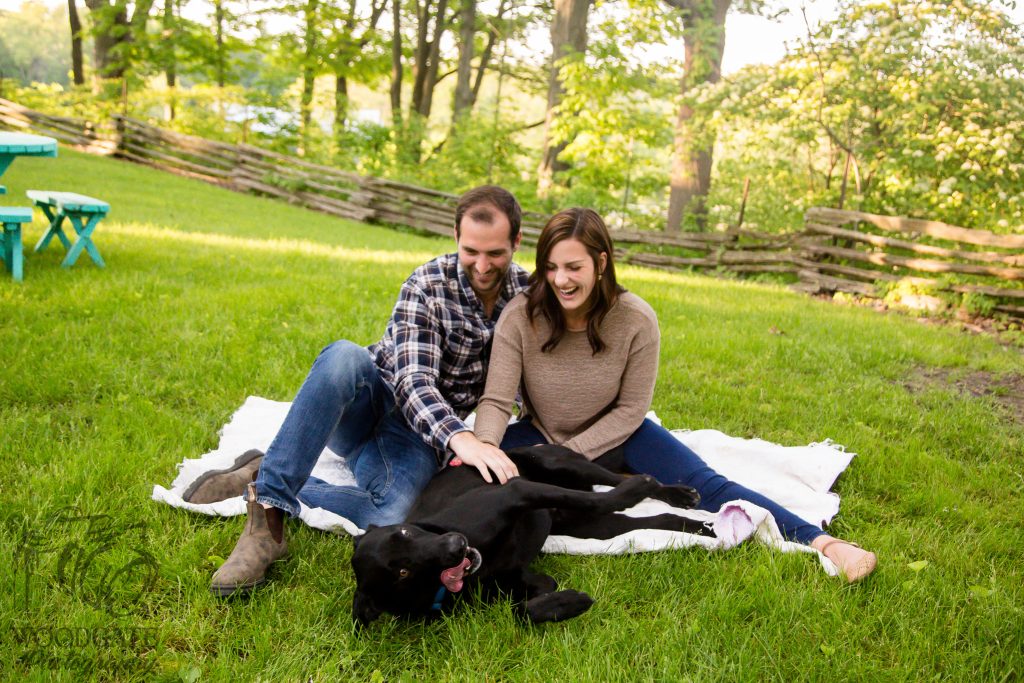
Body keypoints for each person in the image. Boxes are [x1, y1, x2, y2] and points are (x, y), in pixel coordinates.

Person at [473, 207, 877, 583]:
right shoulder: (521, 315)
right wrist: (487, 446)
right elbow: (495, 401)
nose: (561, 279)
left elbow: (632, 408)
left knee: (708, 486)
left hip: (621, 434)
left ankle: (823, 543)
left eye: (574, 267)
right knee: (476, 473)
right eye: (551, 268)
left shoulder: (636, 319)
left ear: (600, 263)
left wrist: (569, 458)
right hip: (542, 433)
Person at [190, 185, 527, 597]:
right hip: (371, 401)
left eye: (495, 254)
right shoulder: (427, 284)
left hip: (415, 440)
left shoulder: (526, 298)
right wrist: (462, 438)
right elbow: (412, 381)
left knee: (394, 511)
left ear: (516, 242)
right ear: (456, 236)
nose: (482, 265)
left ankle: (263, 470)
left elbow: (530, 376)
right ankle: (269, 516)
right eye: (471, 250)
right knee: (344, 357)